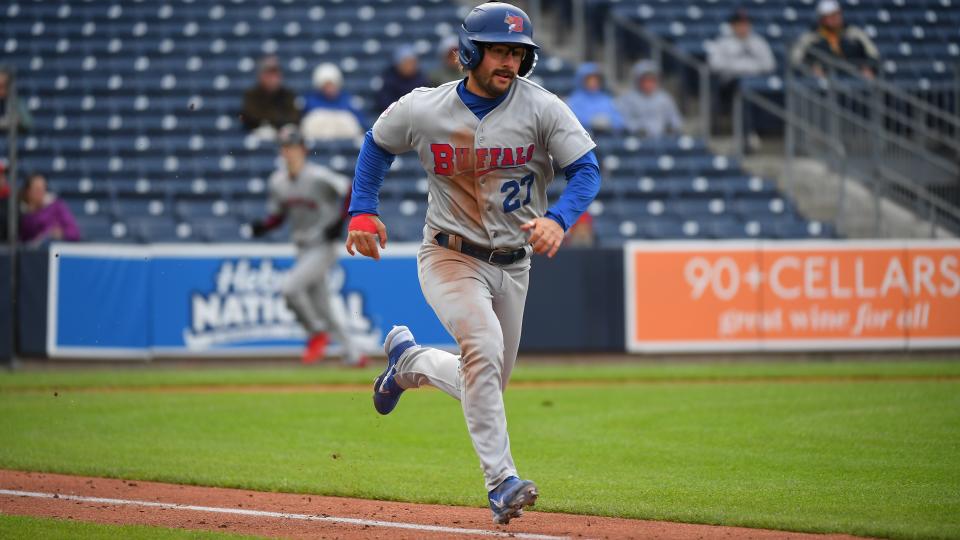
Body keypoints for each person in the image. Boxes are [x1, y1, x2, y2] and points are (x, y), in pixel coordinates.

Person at [344, 2, 600, 526]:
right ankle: (502, 483)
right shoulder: (424, 108)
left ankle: (409, 363)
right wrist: (363, 211)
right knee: (481, 350)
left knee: (483, 384)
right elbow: (376, 144)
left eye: (517, 52)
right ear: (470, 52)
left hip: (514, 263)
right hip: (448, 254)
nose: (509, 61)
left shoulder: (542, 107)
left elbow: (587, 170)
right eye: (499, 51)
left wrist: (560, 218)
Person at [250, 125, 367, 367]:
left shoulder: (318, 176)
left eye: (292, 147)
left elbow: (350, 189)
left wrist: (339, 222)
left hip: (323, 245)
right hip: (302, 247)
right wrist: (264, 226)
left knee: (290, 289)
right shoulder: (278, 181)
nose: (288, 152)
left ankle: (315, 333)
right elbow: (279, 215)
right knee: (324, 306)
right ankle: (354, 354)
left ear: (303, 149)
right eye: (284, 147)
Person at [791, 0, 880, 80]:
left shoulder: (854, 33)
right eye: (831, 16)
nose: (836, 18)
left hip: (854, 78)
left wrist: (868, 67)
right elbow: (795, 59)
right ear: (822, 19)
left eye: (838, 14)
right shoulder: (810, 37)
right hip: (824, 82)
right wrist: (811, 68)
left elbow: (873, 53)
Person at [616, 60, 684, 138]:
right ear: (638, 81)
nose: (648, 84)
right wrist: (636, 128)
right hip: (636, 140)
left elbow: (676, 120)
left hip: (661, 141)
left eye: (651, 80)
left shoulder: (665, 98)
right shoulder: (628, 99)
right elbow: (621, 121)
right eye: (645, 80)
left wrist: (671, 128)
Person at [301, 63, 365, 141]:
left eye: (332, 84)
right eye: (326, 85)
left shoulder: (349, 101)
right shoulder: (310, 102)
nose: (329, 88)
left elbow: (361, 126)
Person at [240, 55, 300, 138]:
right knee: (266, 132)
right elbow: (252, 117)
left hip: (283, 131)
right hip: (260, 131)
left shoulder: (287, 94)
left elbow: (294, 116)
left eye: (276, 74)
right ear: (261, 76)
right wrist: (275, 123)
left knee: (291, 131)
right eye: (270, 74)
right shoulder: (252, 95)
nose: (274, 78)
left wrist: (280, 127)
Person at [707, 8, 776, 78]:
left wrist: (749, 68)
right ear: (732, 25)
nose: (743, 27)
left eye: (745, 23)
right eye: (739, 24)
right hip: (730, 80)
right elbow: (714, 64)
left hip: (756, 78)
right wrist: (738, 68)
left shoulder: (759, 42)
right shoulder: (722, 42)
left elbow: (770, 65)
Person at [19, 173, 80, 245]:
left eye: (43, 188)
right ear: (28, 192)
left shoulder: (57, 206)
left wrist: (60, 233)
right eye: (37, 189)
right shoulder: (21, 213)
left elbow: (75, 232)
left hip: (56, 249)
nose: (41, 192)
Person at [564, 63, 625, 133]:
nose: (593, 83)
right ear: (582, 81)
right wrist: (591, 122)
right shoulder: (574, 100)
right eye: (589, 80)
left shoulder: (607, 99)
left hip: (608, 135)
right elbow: (572, 121)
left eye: (596, 80)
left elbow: (620, 121)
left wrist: (609, 121)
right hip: (586, 137)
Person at [376, 46, 429, 114]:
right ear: (398, 64)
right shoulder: (389, 80)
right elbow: (384, 103)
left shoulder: (422, 79)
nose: (410, 66)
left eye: (412, 63)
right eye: (406, 63)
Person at [0, 68, 33, 133]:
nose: (1, 90)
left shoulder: (17, 102)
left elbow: (28, 123)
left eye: (3, 86)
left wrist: (19, 122)